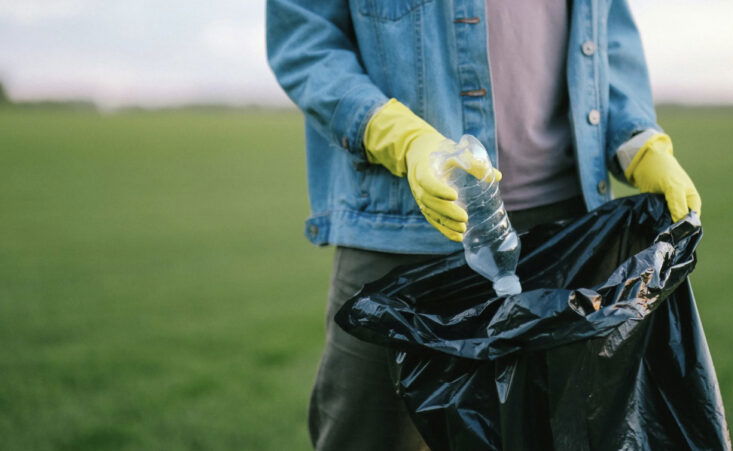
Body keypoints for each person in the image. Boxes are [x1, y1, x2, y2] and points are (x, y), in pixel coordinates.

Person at [266, 1, 701, 450]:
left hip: (565, 229)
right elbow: (306, 42)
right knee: (367, 436)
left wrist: (639, 143)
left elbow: (606, 35)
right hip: (398, 225)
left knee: (560, 435)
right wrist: (403, 140)